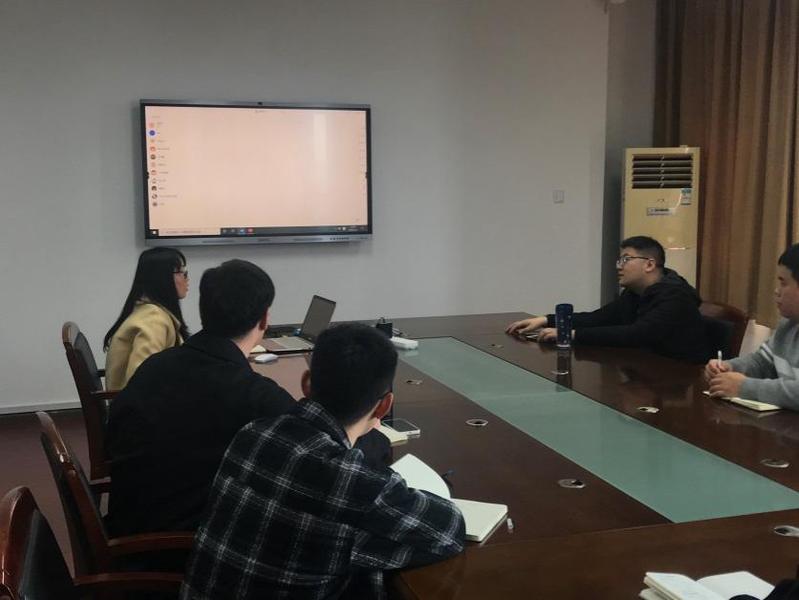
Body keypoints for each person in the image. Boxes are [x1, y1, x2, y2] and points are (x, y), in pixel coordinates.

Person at [180, 324, 466, 600]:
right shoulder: (354, 482)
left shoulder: (252, 433)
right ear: (384, 405)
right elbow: (449, 530)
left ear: (306, 383)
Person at [506, 236, 712, 363]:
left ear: (649, 264)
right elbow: (598, 318)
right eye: (619, 260)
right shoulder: (634, 293)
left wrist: (570, 334)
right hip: (646, 368)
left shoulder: (675, 297)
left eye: (626, 259)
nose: (619, 266)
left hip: (680, 380)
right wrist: (546, 320)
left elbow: (638, 334)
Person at [705, 243, 799, 408]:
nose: (777, 291)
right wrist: (729, 368)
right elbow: (762, 362)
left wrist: (743, 387)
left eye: (784, 283)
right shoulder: (789, 324)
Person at [104, 247, 190, 390]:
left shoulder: (151, 311)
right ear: (163, 277)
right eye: (183, 272)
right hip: (139, 403)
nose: (187, 279)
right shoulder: (154, 320)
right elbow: (142, 379)